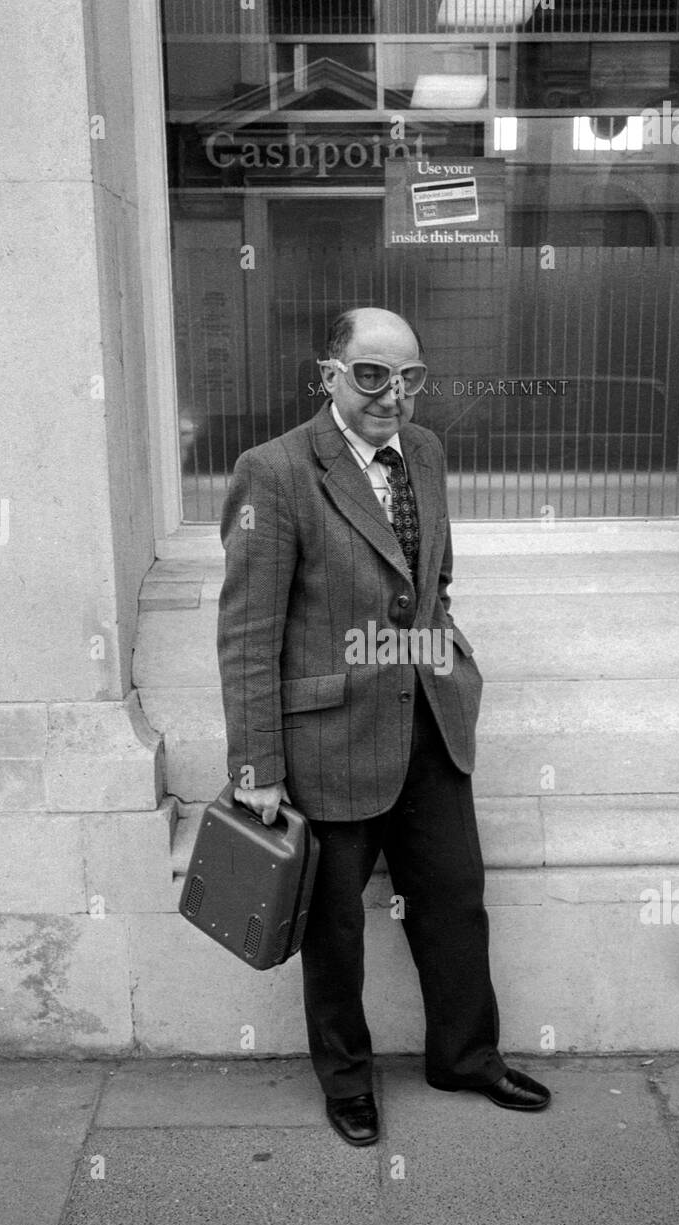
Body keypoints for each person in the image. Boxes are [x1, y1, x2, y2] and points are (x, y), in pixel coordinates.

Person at [217, 307, 551, 1146]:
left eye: (409, 378)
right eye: (371, 374)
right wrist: (257, 766)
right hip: (328, 743)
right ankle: (346, 1081)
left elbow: (429, 579)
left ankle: (465, 1058)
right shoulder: (275, 473)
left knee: (454, 903)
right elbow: (248, 635)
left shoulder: (427, 453)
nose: (392, 395)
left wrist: (447, 656)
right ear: (327, 374)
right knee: (333, 928)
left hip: (431, 726)